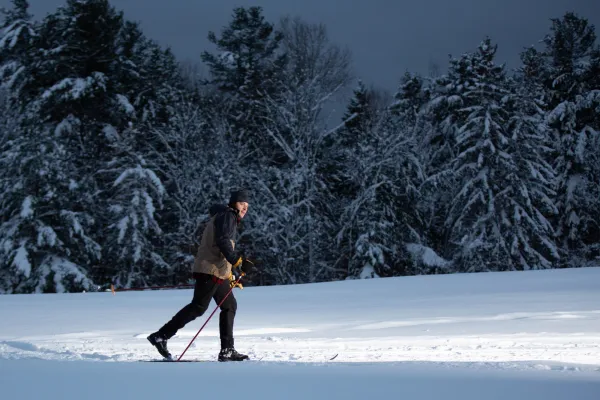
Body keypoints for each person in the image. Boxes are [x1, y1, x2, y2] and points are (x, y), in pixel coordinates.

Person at [148, 189, 255, 361]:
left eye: (247, 206)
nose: (244, 208)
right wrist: (237, 262)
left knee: (229, 306)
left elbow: (219, 246)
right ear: (234, 203)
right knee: (198, 307)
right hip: (209, 270)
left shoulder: (225, 217)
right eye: (242, 204)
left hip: (217, 271)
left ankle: (227, 350)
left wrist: (229, 275)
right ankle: (161, 335)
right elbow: (222, 242)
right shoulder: (227, 216)